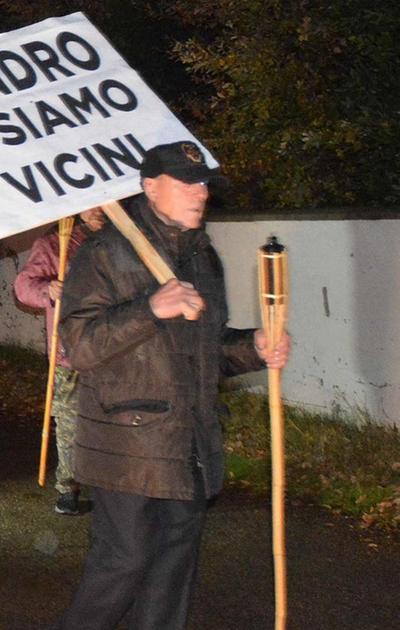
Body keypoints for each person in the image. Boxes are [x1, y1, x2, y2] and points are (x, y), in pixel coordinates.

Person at [54, 141, 290, 630]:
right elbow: (80, 346)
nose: (200, 192)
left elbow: (209, 350)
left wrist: (255, 348)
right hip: (128, 444)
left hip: (190, 443)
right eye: (186, 181)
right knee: (123, 565)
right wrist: (149, 309)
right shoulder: (106, 254)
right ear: (149, 186)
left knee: (172, 572)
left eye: (203, 182)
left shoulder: (204, 259)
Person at [14, 205, 107, 515]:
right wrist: (48, 289)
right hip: (71, 352)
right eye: (94, 207)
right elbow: (24, 286)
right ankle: (68, 488)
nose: (100, 212)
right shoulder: (55, 244)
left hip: (113, 349)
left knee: (111, 421)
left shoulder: (119, 241)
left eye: (106, 206)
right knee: (70, 422)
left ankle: (111, 486)